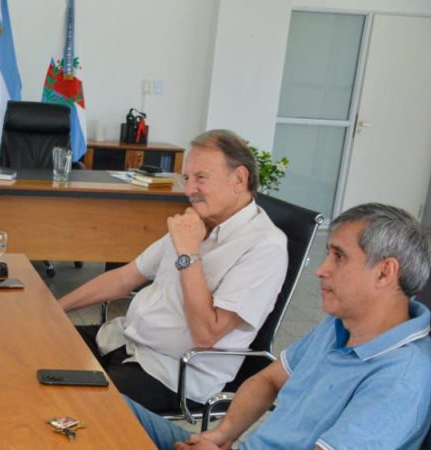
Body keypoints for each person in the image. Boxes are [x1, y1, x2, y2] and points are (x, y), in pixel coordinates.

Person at [128, 203, 431, 450]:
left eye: (339, 257)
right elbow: (268, 379)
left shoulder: (402, 378)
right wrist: (222, 436)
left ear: (386, 272)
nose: (322, 270)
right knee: (114, 416)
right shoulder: (341, 323)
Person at [58, 130, 288, 412]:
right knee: (37, 348)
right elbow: (125, 277)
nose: (189, 189)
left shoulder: (265, 246)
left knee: (66, 404)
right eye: (187, 178)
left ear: (239, 179)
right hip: (122, 340)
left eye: (200, 178)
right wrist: (55, 309)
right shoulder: (197, 222)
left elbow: (207, 335)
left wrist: (189, 253)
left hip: (169, 375)